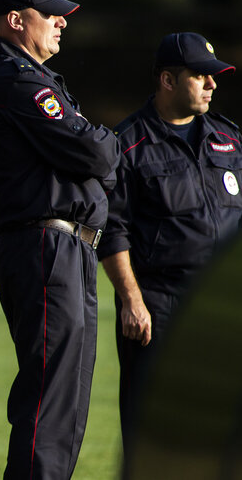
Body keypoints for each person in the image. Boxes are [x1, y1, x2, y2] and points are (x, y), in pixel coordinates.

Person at [0, 0, 121, 479]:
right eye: (50, 12)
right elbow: (96, 151)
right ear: (16, 20)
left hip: (69, 248)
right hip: (45, 246)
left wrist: (98, 151)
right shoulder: (17, 80)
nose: (62, 20)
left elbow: (94, 156)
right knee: (50, 399)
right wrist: (101, 146)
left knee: (71, 398)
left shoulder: (37, 79)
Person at [97, 32, 240, 466]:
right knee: (154, 430)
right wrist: (132, 301)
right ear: (168, 80)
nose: (213, 85)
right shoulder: (128, 144)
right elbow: (112, 230)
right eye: (201, 77)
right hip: (160, 304)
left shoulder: (230, 140)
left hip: (222, 305)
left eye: (214, 77)